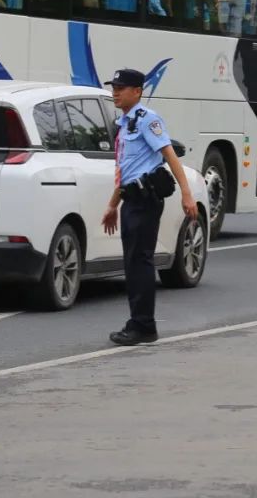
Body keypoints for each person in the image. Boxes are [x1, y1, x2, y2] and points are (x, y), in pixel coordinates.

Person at [102, 68, 199, 346]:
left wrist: (186, 193)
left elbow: (169, 155)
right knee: (132, 264)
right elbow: (126, 170)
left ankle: (143, 325)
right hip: (130, 199)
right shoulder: (123, 124)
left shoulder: (147, 120)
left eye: (121, 88)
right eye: (114, 87)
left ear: (137, 91)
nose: (115, 92)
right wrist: (112, 205)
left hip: (145, 200)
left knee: (140, 263)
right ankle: (139, 322)